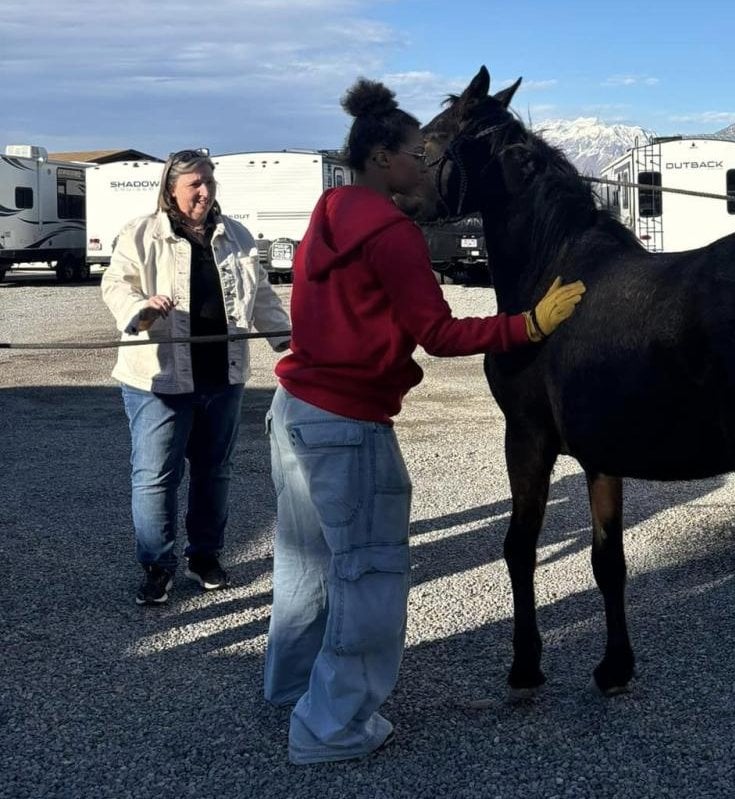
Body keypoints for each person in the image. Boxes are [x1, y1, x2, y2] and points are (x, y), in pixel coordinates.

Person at [262, 78, 585, 765]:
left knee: (304, 567)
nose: (423, 162)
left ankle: (290, 690)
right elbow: (437, 332)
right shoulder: (393, 233)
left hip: (294, 409)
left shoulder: (331, 210)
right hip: (348, 424)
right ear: (384, 157)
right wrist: (527, 323)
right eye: (415, 151)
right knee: (368, 576)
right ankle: (331, 727)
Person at [101, 149, 291, 606]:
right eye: (194, 185)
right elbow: (117, 284)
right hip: (158, 381)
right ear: (171, 188)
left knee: (214, 472)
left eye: (209, 181)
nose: (205, 192)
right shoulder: (142, 234)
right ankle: (157, 565)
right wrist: (140, 310)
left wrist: (288, 345)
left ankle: (204, 556)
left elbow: (261, 296)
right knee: (154, 476)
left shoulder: (237, 236)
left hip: (223, 378)